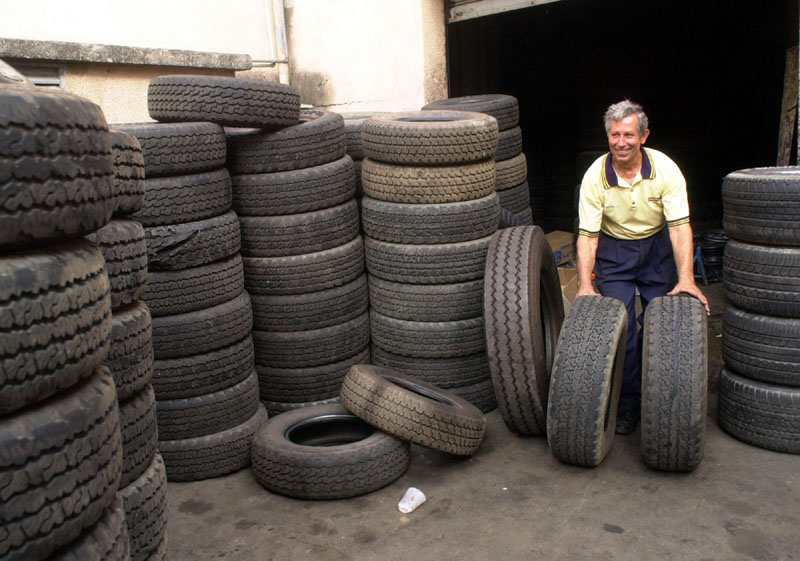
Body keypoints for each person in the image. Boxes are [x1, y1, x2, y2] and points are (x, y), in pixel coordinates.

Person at [575, 99, 710, 435]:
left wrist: (687, 280)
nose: (621, 142)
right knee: (621, 331)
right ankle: (627, 404)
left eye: (629, 135)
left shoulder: (665, 170)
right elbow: (587, 236)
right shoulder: (595, 177)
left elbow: (679, 228)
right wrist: (583, 285)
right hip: (614, 250)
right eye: (615, 134)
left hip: (656, 247)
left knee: (661, 323)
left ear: (644, 136)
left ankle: (661, 404)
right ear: (608, 136)